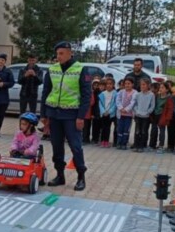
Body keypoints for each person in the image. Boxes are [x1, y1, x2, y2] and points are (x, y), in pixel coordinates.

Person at [40, 41, 91, 191]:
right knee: (56, 146)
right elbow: (46, 92)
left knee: (76, 147)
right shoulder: (52, 69)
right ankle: (60, 175)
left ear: (70, 53)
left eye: (61, 53)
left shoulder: (81, 69)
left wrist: (81, 116)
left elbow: (86, 95)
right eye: (57, 54)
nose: (58, 57)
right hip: (54, 114)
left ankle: (81, 176)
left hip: (72, 115)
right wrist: (43, 114)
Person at [150, 82, 174, 153]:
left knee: (162, 131)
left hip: (163, 116)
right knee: (153, 130)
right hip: (155, 115)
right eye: (160, 87)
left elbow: (170, 109)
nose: (161, 89)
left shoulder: (169, 98)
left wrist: (167, 118)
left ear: (167, 89)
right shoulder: (156, 96)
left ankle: (161, 146)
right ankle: (152, 145)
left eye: (163, 87)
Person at [132, 78, 155, 152]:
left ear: (148, 85)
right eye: (141, 84)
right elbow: (135, 104)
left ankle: (142, 146)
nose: (142, 86)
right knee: (137, 131)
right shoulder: (138, 94)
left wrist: (148, 112)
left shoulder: (151, 95)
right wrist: (136, 111)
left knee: (144, 131)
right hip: (138, 115)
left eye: (144, 84)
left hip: (146, 116)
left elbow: (152, 106)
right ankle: (136, 145)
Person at [115, 78, 136, 150]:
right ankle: (119, 143)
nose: (127, 85)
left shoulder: (135, 93)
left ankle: (124, 143)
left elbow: (133, 103)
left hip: (129, 115)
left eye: (129, 83)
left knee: (126, 129)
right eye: (126, 84)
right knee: (120, 129)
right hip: (121, 114)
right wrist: (121, 108)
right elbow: (118, 100)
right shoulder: (121, 92)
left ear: (132, 84)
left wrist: (126, 109)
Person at [98, 77, 118, 148]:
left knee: (108, 128)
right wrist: (103, 111)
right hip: (103, 113)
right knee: (103, 127)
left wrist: (109, 112)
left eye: (110, 84)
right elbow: (100, 104)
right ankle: (102, 141)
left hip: (110, 114)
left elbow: (115, 104)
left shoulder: (115, 94)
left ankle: (106, 141)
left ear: (113, 85)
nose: (109, 85)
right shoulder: (102, 94)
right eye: (107, 84)